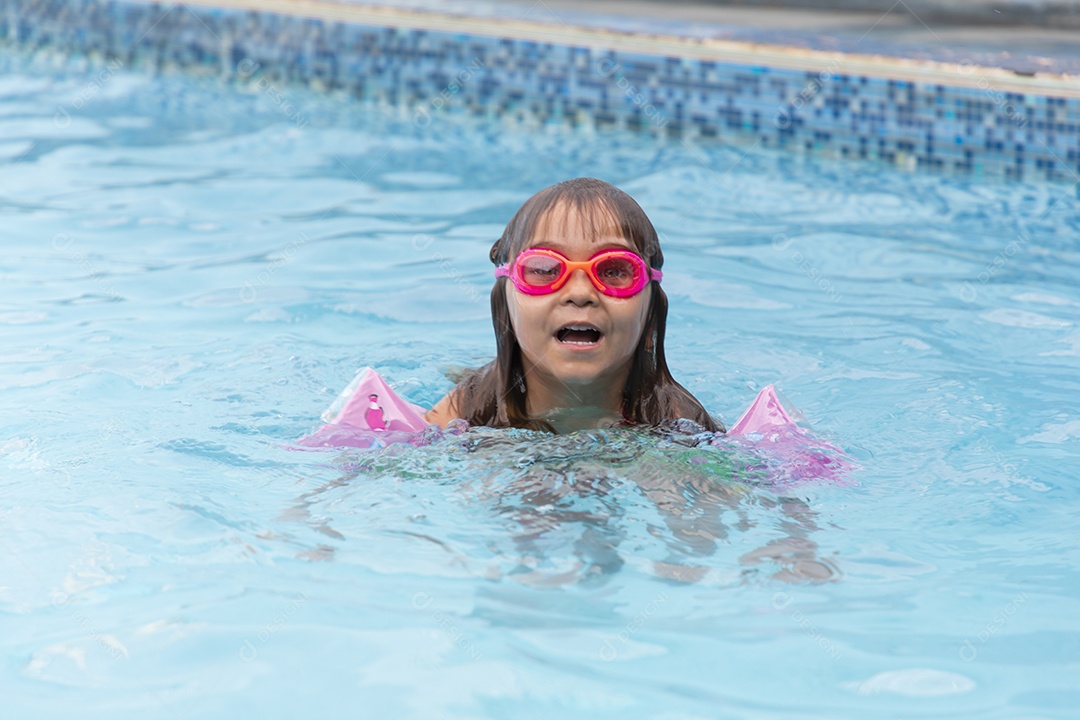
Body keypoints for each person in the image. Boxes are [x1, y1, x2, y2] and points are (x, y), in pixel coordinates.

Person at [425, 177, 721, 434]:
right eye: (544, 268)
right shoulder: (471, 406)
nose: (580, 293)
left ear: (650, 313)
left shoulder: (677, 420)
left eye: (614, 270)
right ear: (505, 305)